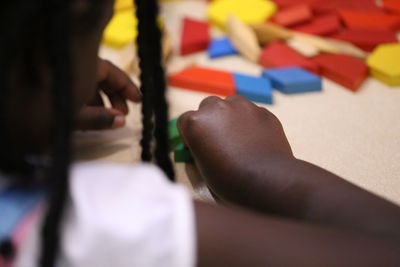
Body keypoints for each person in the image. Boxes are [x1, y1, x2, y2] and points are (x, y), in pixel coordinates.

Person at [0, 0, 400, 267]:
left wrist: (23, 103)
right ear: (47, 61)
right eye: (97, 36)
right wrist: (267, 169)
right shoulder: (103, 223)